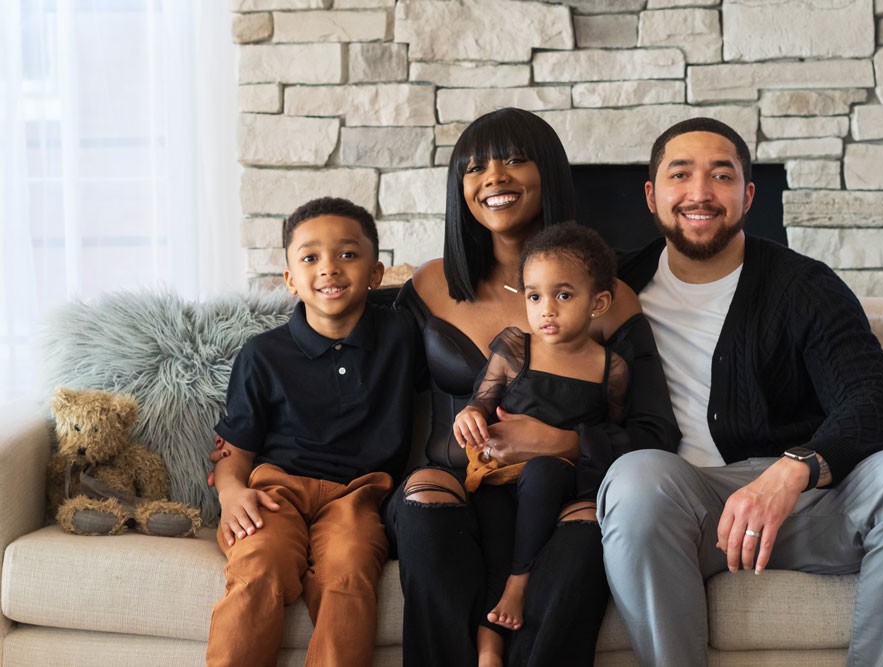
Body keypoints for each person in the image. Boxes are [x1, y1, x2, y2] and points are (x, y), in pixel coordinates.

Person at [597, 117, 883, 667]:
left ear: (747, 195)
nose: (701, 193)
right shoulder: (613, 291)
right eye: (681, 175)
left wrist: (793, 471)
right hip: (686, 510)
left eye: (721, 176)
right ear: (652, 195)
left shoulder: (804, 285)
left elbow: (878, 403)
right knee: (633, 480)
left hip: (810, 502)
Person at [383, 107, 679, 667]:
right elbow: (371, 383)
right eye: (475, 168)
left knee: (588, 530)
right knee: (424, 506)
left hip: (563, 489)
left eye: (515, 160)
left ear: (550, 175)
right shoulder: (428, 285)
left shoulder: (608, 299)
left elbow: (654, 432)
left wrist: (561, 442)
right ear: (460, 187)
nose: (494, 177)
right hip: (454, 480)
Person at [206, 197, 424, 667]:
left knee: (348, 571)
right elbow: (234, 449)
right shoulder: (262, 355)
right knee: (260, 563)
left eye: (347, 254)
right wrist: (230, 496)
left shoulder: (402, 337)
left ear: (376, 273)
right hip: (275, 492)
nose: (329, 268)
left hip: (357, 496)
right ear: (290, 280)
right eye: (310, 258)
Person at [453, 223, 629, 658]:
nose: (546, 309)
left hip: (558, 484)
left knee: (546, 472)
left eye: (563, 296)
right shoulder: (515, 348)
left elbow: (612, 436)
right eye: (534, 296)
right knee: (495, 540)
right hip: (498, 477)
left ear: (598, 302)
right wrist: (470, 416)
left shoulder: (611, 369)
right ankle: (489, 645)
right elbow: (481, 399)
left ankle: (520, 585)